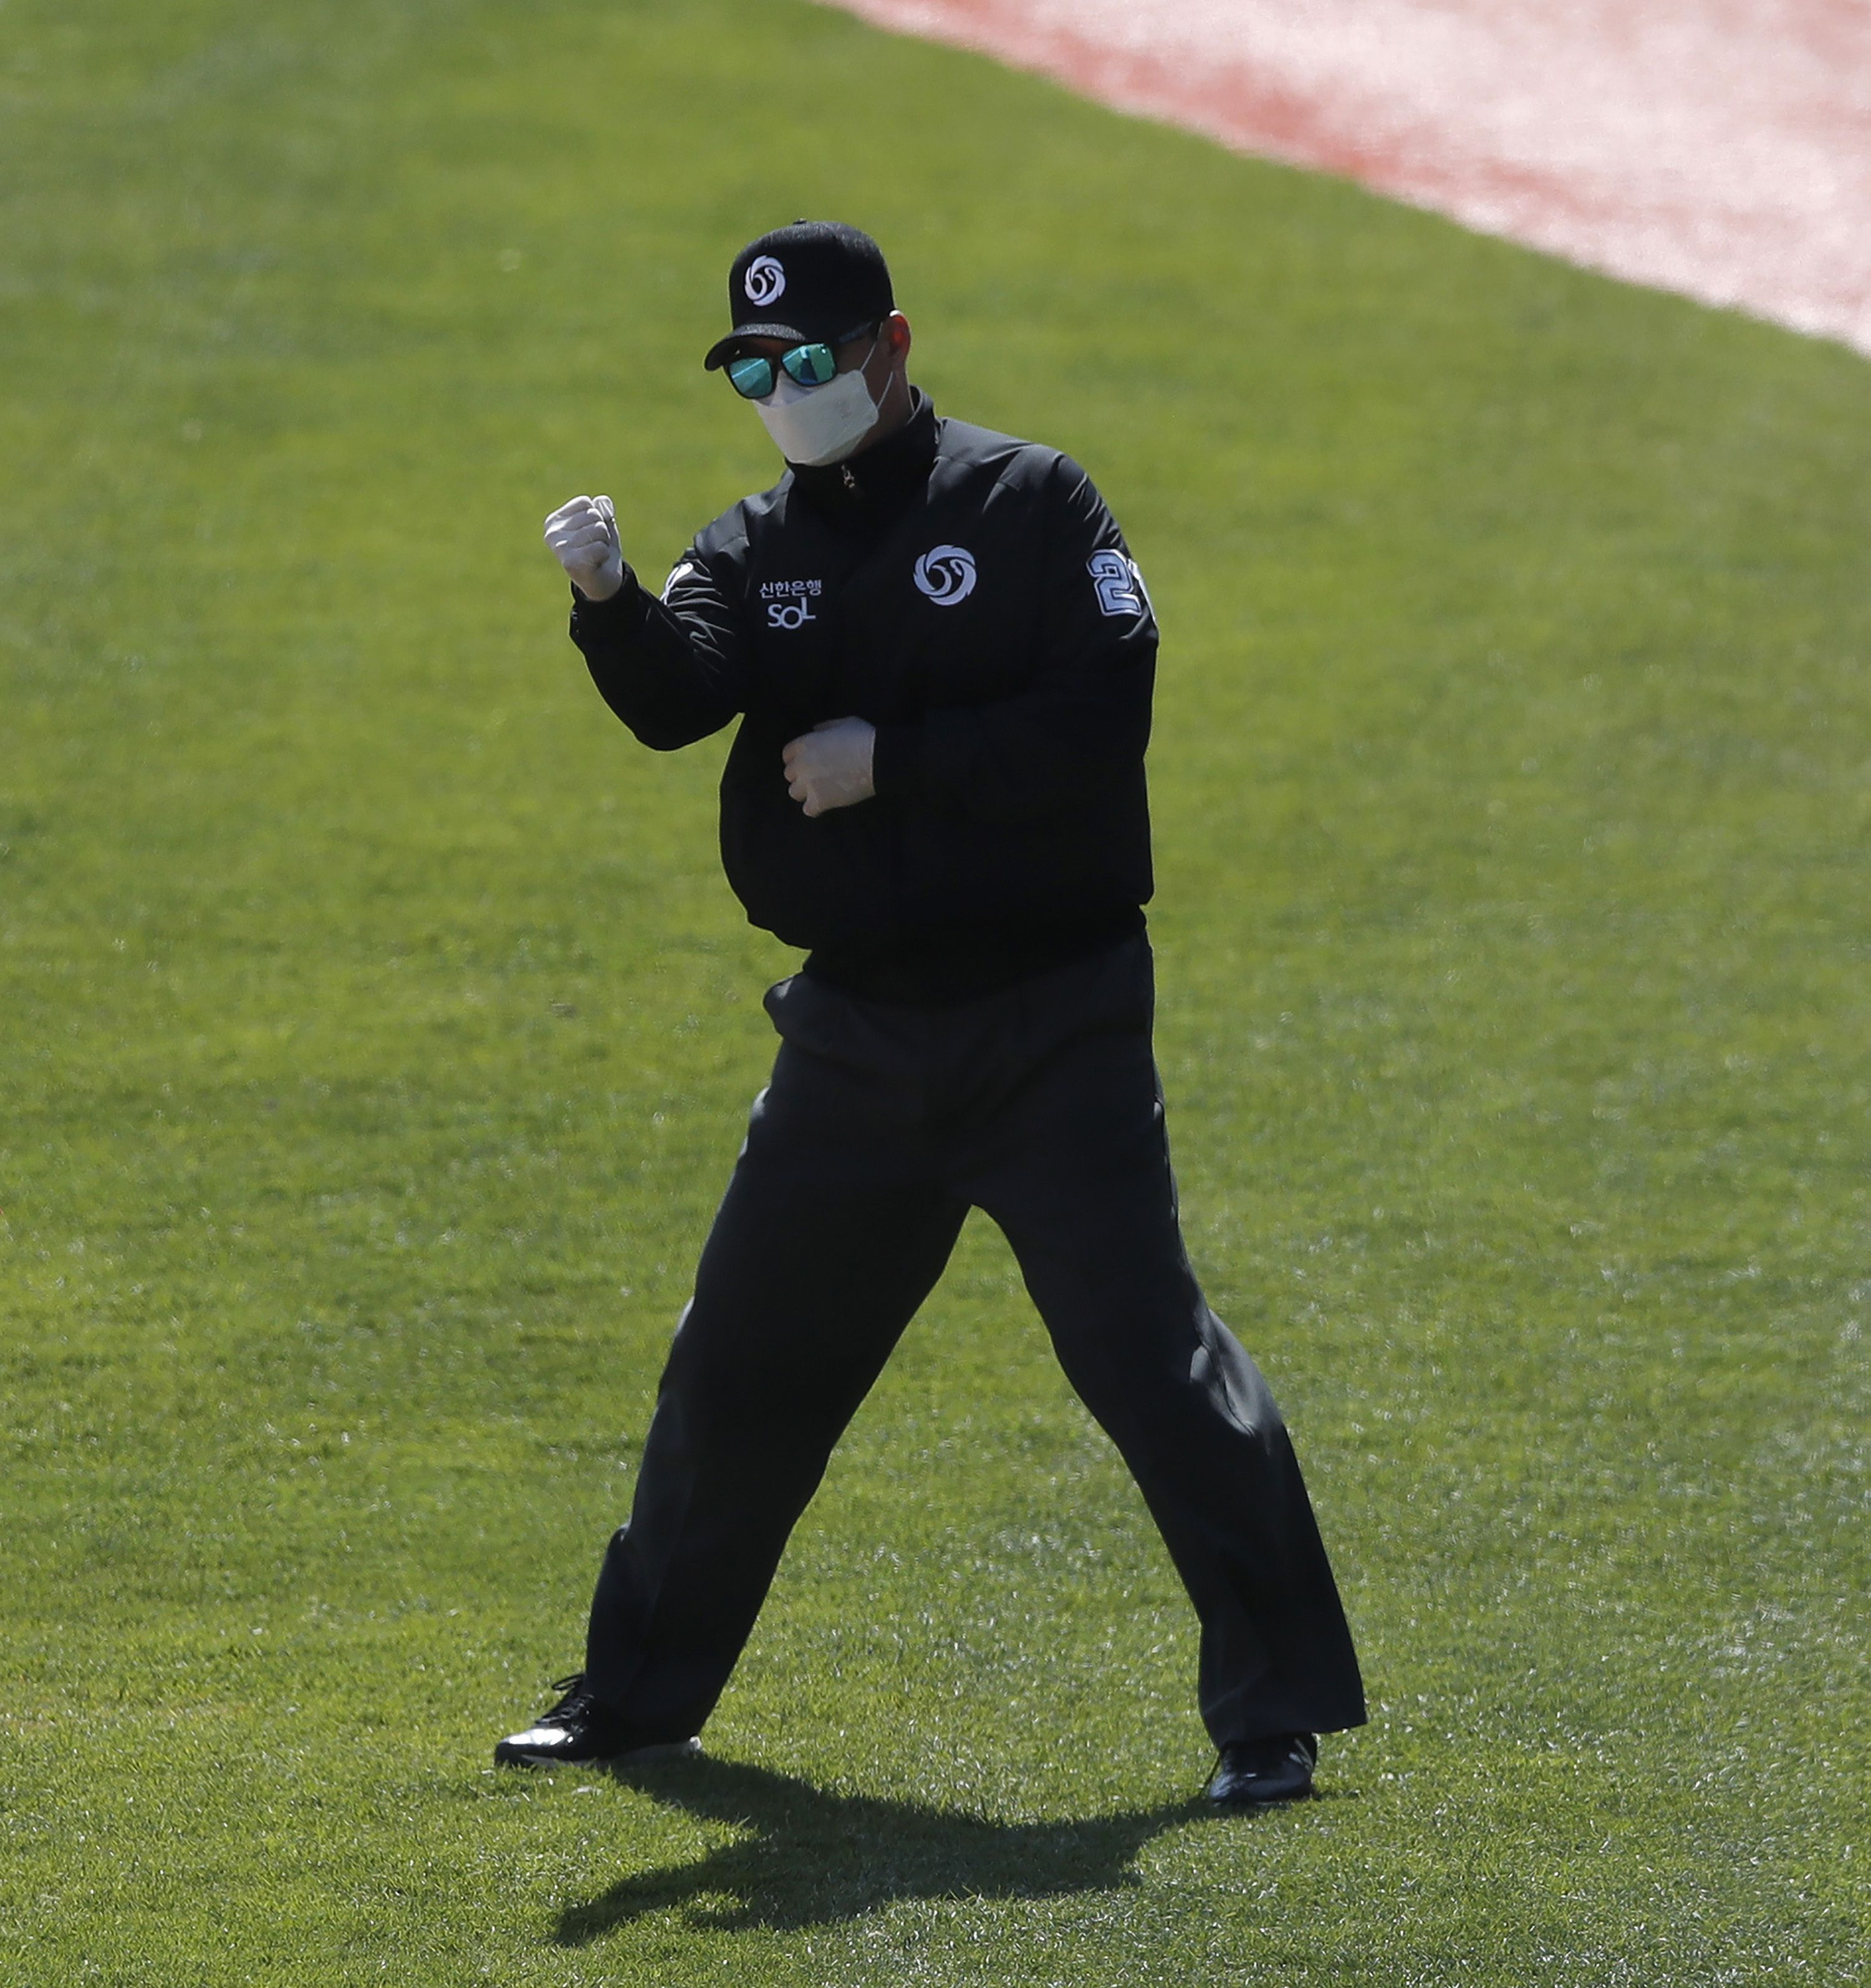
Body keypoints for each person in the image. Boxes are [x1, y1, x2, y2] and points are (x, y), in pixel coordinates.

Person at [501, 221, 1365, 1803]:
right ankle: (628, 1699)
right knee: (739, 1366)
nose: (785, 393)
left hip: (1054, 1021)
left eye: (811, 363)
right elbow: (674, 698)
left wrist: (889, 762)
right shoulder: (751, 543)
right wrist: (609, 598)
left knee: (1149, 1363)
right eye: (755, 372)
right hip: (856, 1036)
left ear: (891, 346)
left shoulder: (1032, 502)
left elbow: (1101, 717)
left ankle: (1274, 1714)